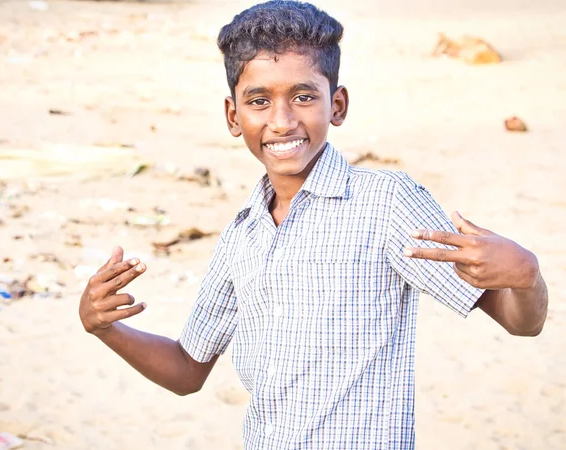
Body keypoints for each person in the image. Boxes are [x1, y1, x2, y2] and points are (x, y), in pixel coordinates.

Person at [78, 1, 548, 448]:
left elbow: (518, 321)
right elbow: (185, 370)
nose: (282, 121)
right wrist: (104, 328)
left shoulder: (384, 204)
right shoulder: (242, 235)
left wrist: (526, 276)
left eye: (304, 97)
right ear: (233, 115)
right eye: (258, 100)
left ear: (337, 105)